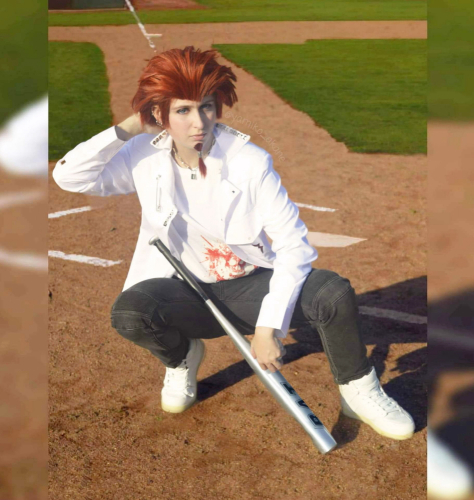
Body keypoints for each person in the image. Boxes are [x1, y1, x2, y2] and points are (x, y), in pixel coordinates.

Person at [53, 45, 415, 441]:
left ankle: (360, 389)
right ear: (159, 114)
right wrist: (129, 127)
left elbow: (294, 245)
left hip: (249, 289)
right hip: (186, 293)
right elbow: (70, 177)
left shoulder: (249, 162)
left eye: (206, 107)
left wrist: (268, 326)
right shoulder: (142, 155)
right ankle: (182, 358)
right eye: (182, 110)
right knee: (131, 313)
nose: (198, 123)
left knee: (332, 292)